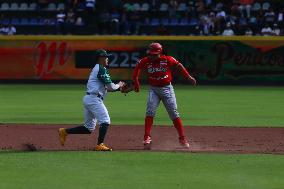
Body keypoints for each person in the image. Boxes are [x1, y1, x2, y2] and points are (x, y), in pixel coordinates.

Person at [132, 43, 196, 149]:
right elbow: (137, 68)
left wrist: (188, 77)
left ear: (159, 53)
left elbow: (179, 65)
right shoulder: (145, 60)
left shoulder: (167, 59)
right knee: (150, 112)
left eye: (154, 54)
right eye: (151, 54)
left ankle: (182, 137)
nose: (152, 56)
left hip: (167, 89)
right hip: (153, 89)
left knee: (174, 114)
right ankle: (147, 136)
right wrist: (136, 82)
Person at [58, 49, 125, 151]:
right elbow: (111, 87)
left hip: (90, 98)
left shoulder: (98, 69)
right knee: (105, 120)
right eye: (106, 57)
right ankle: (100, 144)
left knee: (89, 128)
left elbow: (108, 89)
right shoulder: (101, 69)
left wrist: (119, 88)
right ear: (100, 58)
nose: (107, 59)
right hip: (94, 99)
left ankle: (64, 131)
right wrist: (119, 85)